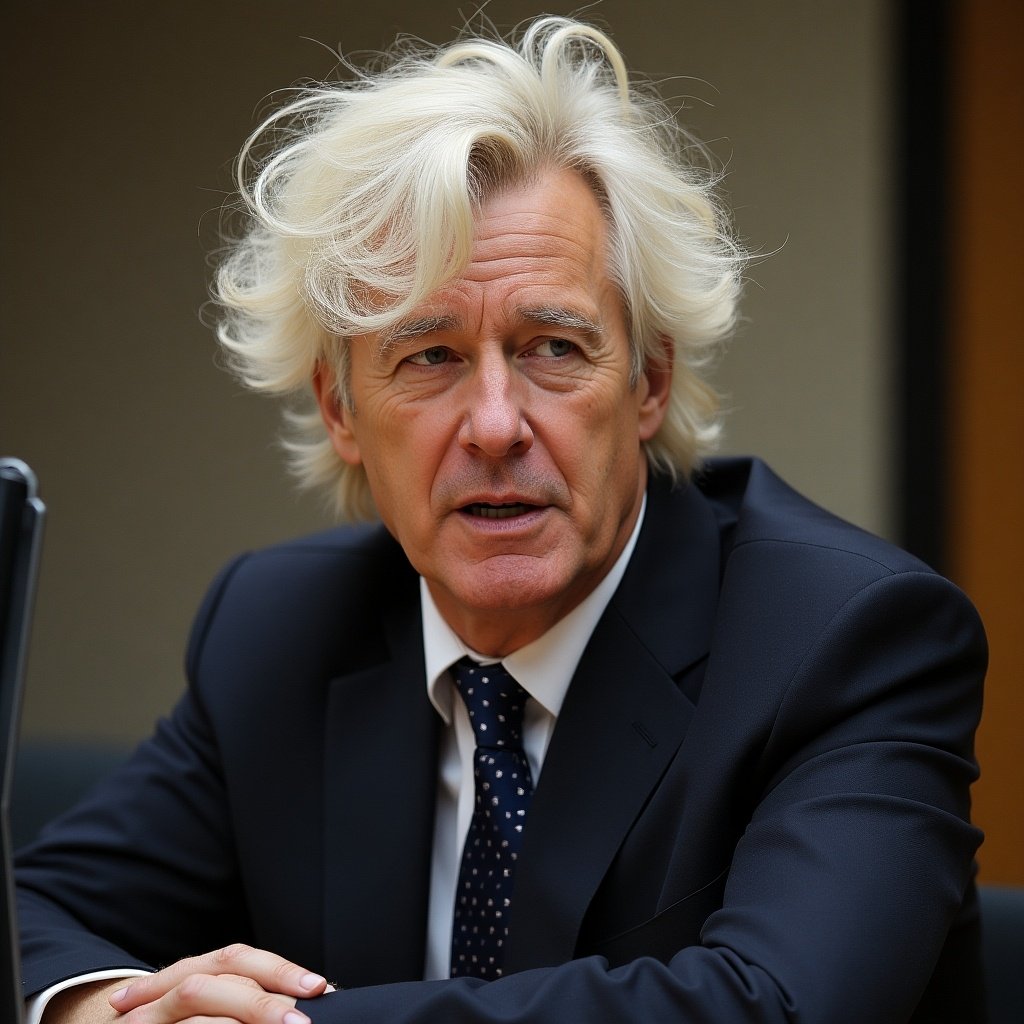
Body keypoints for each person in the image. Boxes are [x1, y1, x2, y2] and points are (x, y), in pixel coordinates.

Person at [17, 15, 986, 1024]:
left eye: (553, 348)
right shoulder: (279, 628)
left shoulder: (845, 641)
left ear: (647, 383)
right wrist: (103, 1009)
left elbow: (776, 1006)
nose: (493, 424)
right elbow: (31, 912)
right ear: (342, 409)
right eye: (429, 356)